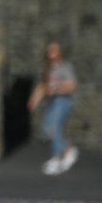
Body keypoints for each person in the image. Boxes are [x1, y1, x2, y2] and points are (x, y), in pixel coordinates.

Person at [28, 42, 78, 175]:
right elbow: (43, 87)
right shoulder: (48, 69)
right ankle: (67, 148)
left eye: (54, 50)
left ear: (60, 52)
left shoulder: (65, 67)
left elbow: (72, 86)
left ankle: (57, 158)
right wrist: (34, 100)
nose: (51, 52)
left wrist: (56, 88)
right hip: (53, 101)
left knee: (55, 127)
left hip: (63, 101)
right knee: (47, 127)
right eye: (50, 50)